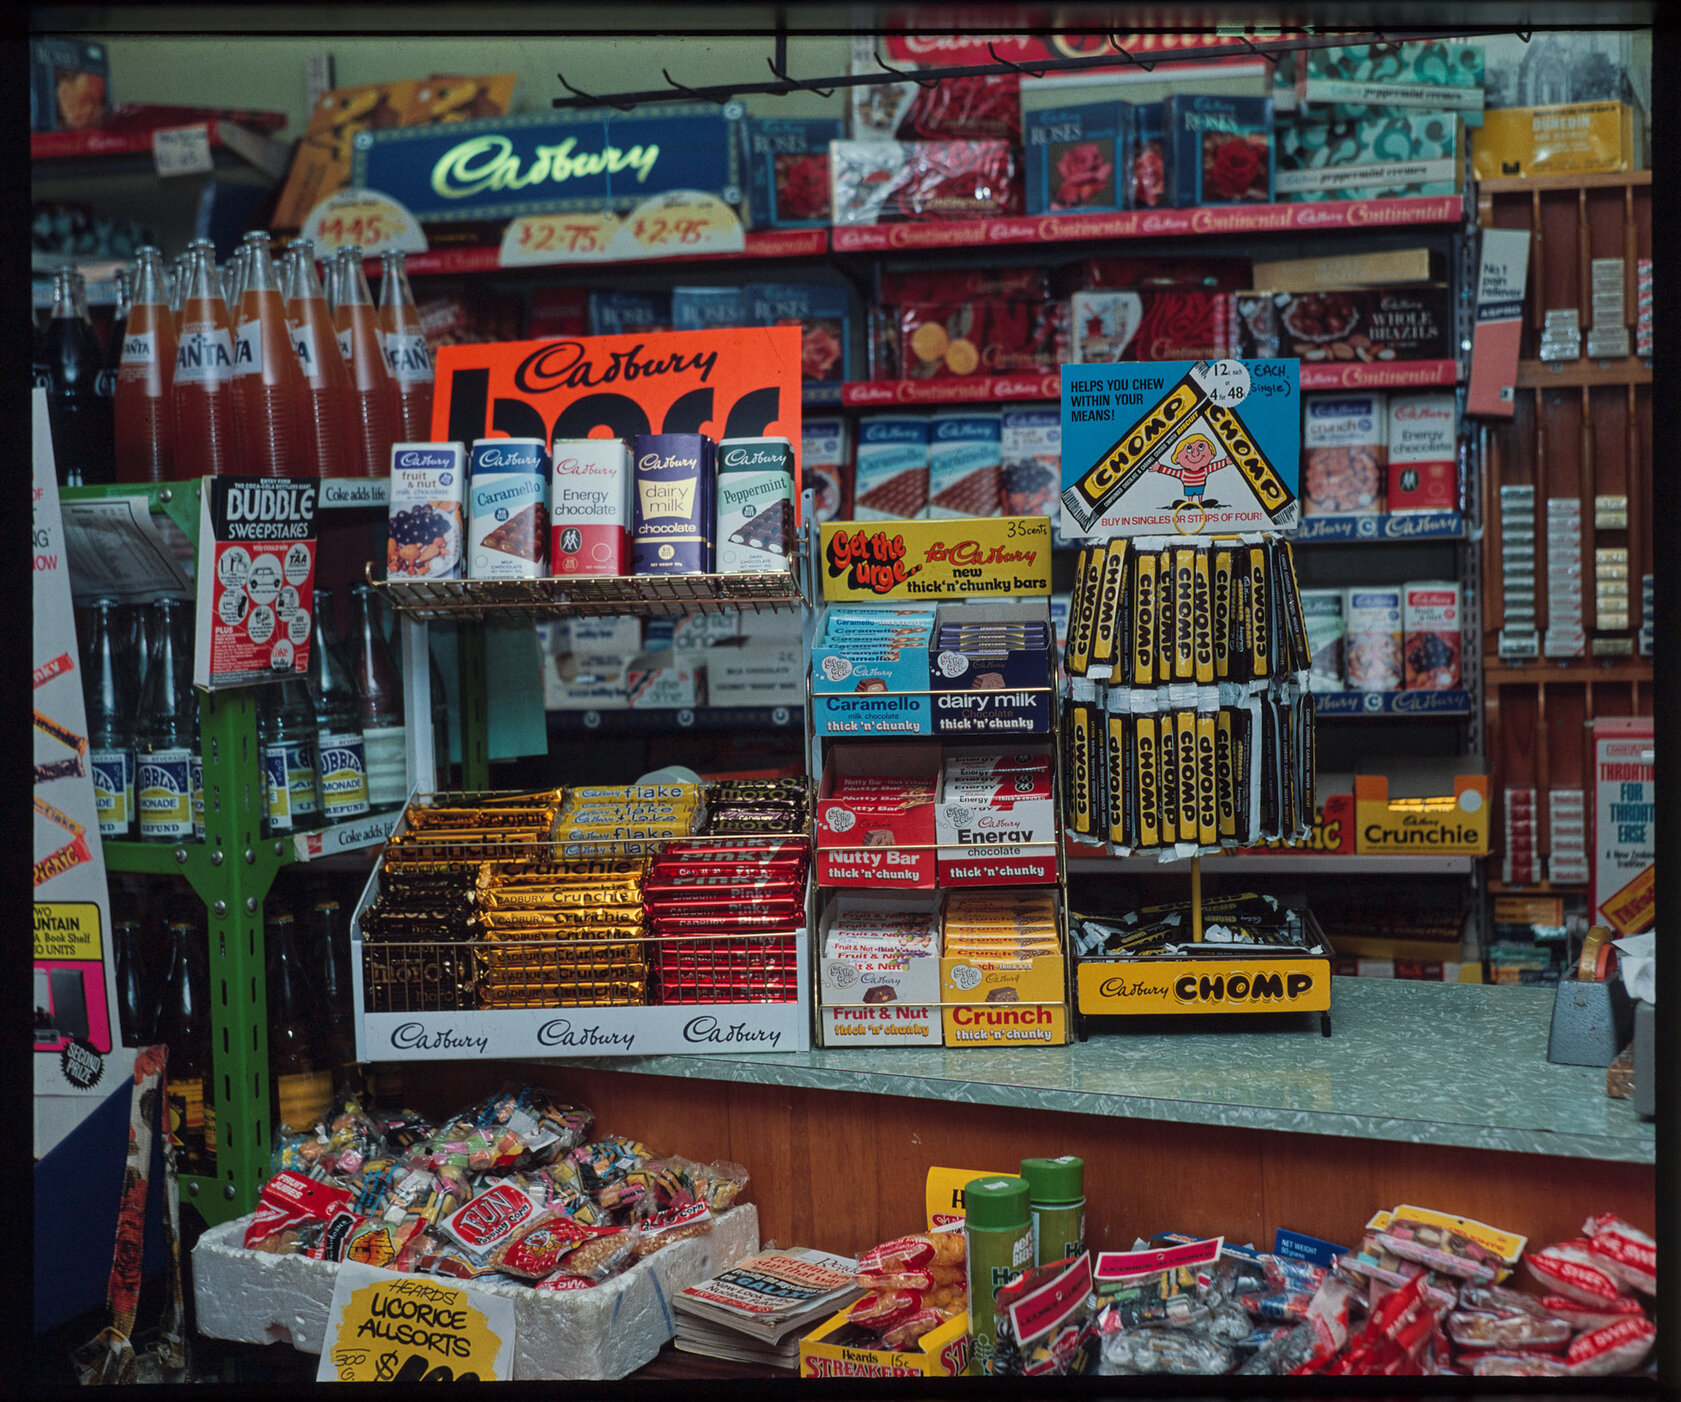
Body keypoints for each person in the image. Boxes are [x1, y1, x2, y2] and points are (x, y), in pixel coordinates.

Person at [1154, 432, 1231, 508]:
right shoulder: (1183, 473)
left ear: (1211, 454)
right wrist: (1159, 468)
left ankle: (1200, 502)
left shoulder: (1205, 470)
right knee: (1190, 494)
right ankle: (1189, 503)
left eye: (1201, 447)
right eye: (1189, 449)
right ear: (1177, 458)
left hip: (1200, 486)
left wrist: (1225, 462)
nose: (1195, 453)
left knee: (1199, 493)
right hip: (1189, 487)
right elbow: (1172, 472)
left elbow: (1215, 466)